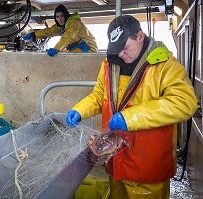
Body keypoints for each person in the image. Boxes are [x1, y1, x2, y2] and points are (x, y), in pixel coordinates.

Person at [66, 15, 198, 198]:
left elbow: (185, 102)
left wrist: (131, 117)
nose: (120, 54)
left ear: (140, 36)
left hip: (147, 166)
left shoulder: (165, 65)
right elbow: (98, 96)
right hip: (116, 160)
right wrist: (79, 110)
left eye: (125, 47)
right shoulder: (108, 65)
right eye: (116, 49)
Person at [23, 4, 98, 57]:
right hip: (76, 47)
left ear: (66, 15)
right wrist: (33, 34)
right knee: (65, 57)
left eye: (62, 16)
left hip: (88, 47)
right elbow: (49, 31)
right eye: (57, 16)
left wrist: (56, 49)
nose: (60, 19)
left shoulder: (74, 23)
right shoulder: (61, 26)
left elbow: (67, 37)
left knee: (68, 59)